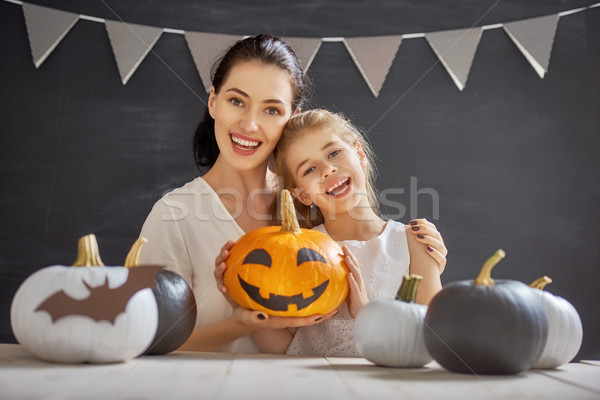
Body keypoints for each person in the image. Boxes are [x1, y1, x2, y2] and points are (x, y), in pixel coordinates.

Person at [139, 34, 337, 353]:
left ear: (293, 117)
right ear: (213, 101)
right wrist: (239, 326)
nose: (250, 124)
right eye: (236, 101)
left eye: (271, 110)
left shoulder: (310, 199)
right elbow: (144, 337)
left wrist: (417, 256)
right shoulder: (174, 214)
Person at [260, 109, 445, 356]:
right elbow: (288, 345)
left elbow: (436, 340)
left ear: (359, 154)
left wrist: (367, 315)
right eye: (309, 170)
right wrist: (235, 300)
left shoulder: (413, 241)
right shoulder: (300, 251)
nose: (327, 170)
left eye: (334, 153)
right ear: (302, 194)